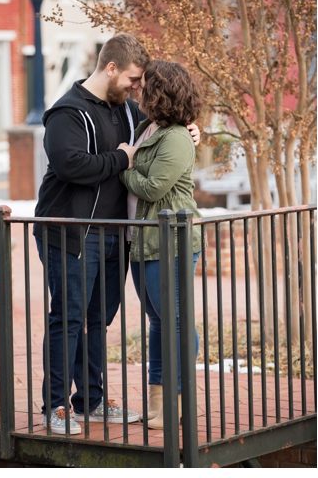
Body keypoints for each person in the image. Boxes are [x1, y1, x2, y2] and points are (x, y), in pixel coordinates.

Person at [32, 33, 153, 434]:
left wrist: (190, 131)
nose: (136, 88)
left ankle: (92, 401)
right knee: (68, 318)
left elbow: (162, 127)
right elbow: (71, 165)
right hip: (71, 231)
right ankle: (55, 408)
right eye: (132, 80)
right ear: (111, 67)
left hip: (113, 232)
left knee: (98, 320)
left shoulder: (129, 111)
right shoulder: (66, 112)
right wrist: (121, 158)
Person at [120, 60, 203, 431]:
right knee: (158, 322)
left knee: (175, 322)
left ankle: (179, 401)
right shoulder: (148, 127)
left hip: (170, 242)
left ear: (160, 93)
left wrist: (123, 165)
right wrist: (132, 157)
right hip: (144, 242)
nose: (138, 89)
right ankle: (158, 402)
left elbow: (154, 186)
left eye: (145, 85)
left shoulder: (177, 137)